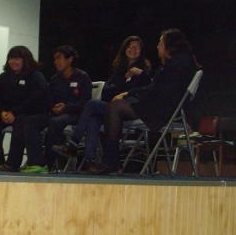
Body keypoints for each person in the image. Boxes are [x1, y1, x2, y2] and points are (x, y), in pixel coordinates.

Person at [91, 28, 199, 174]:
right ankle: (110, 161)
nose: (158, 46)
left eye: (160, 43)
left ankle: (110, 162)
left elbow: (159, 89)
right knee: (111, 107)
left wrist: (129, 93)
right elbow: (157, 87)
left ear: (170, 45)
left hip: (163, 110)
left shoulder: (178, 64)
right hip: (161, 105)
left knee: (115, 108)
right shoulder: (177, 62)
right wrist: (129, 94)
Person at [52, 35, 151, 170]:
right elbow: (106, 93)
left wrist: (135, 79)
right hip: (112, 109)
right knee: (94, 118)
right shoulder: (118, 70)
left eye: (137, 47)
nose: (133, 49)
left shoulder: (144, 71)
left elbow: (146, 91)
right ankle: (90, 160)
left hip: (130, 109)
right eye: (130, 46)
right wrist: (122, 82)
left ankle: (74, 143)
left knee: (92, 104)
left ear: (141, 51)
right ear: (124, 49)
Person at [0, 45, 48, 172]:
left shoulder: (36, 76)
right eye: (11, 58)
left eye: (17, 59)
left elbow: (35, 100)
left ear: (25, 60)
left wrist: (14, 112)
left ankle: (12, 164)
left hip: (30, 114)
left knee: (21, 121)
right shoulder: (3, 77)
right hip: (7, 114)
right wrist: (1, 112)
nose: (13, 62)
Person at [33, 45, 92, 172]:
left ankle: (48, 163)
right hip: (56, 113)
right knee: (31, 121)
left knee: (56, 122)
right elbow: (48, 100)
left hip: (76, 114)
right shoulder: (55, 79)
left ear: (70, 59)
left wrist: (66, 107)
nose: (56, 62)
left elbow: (86, 103)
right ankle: (34, 160)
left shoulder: (82, 77)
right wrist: (53, 107)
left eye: (59, 58)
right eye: (55, 59)